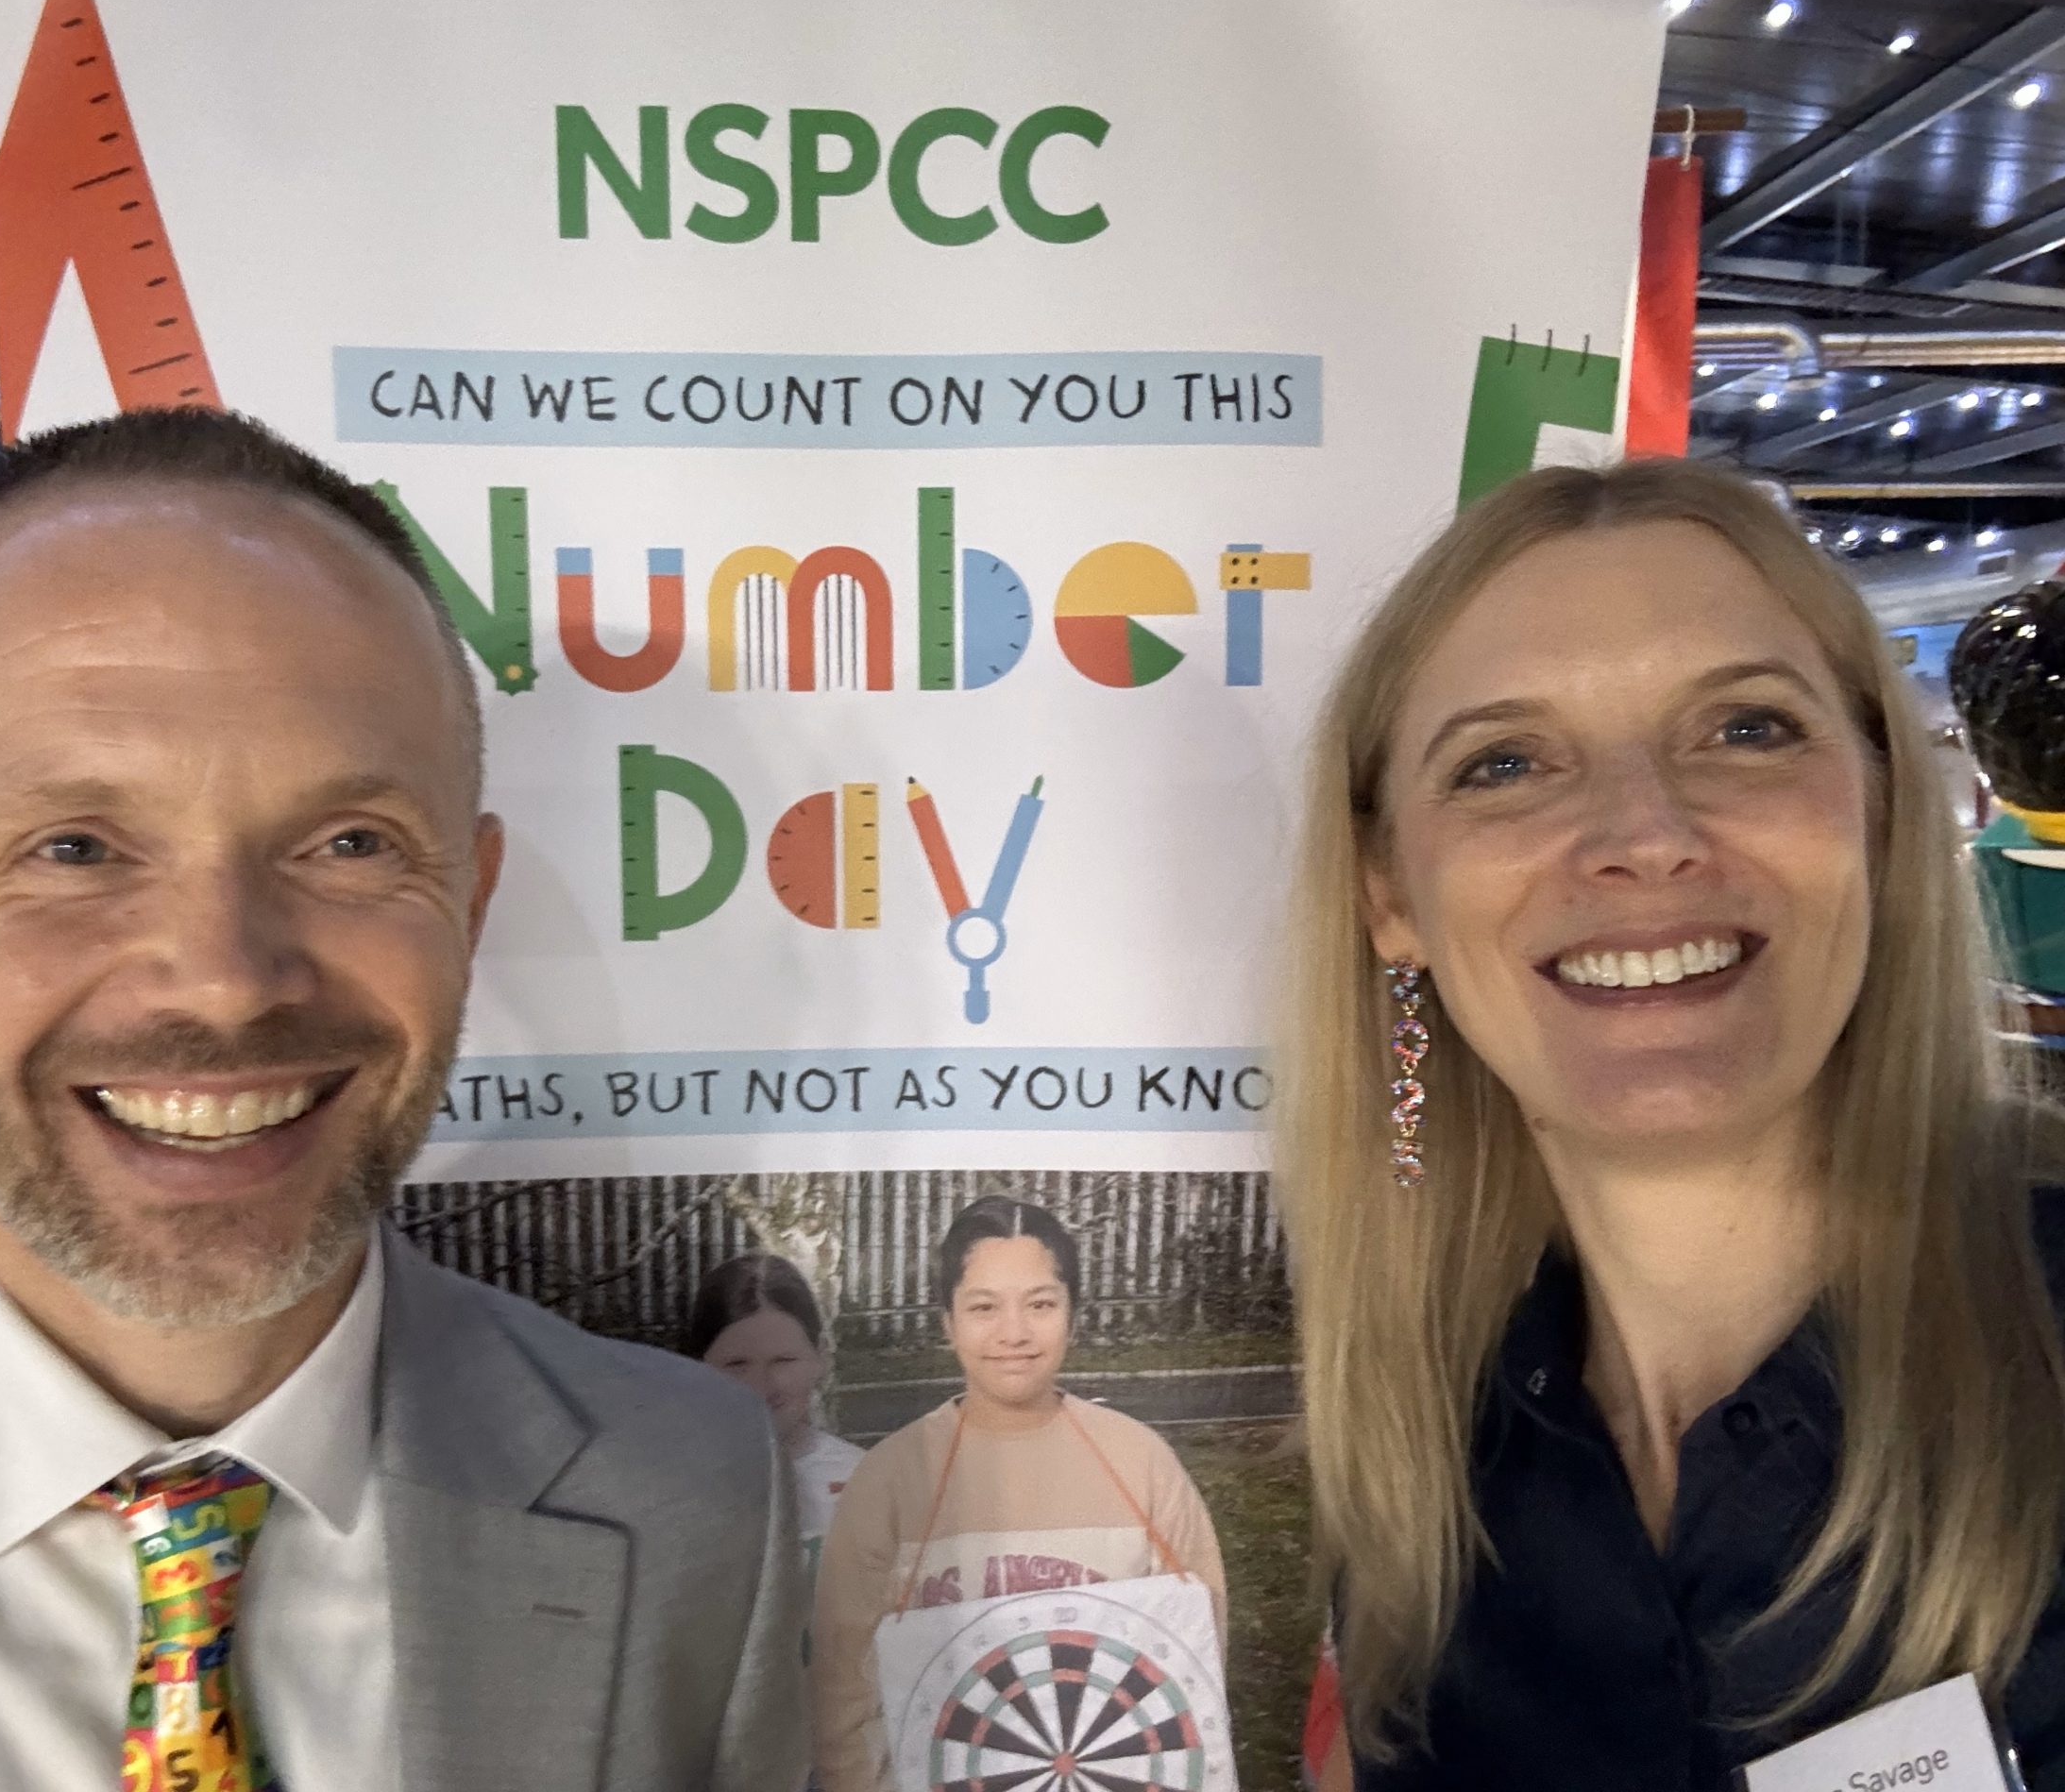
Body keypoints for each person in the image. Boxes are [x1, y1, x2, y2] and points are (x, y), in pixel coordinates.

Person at [0, 409, 806, 1792]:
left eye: (350, 843)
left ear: (467, 908)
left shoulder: (690, 1492)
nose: (225, 981)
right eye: (75, 848)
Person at [1278, 458, 2065, 1789]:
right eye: (1504, 763)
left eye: (1745, 730)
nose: (1643, 833)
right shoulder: (1425, 1480)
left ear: (1879, 815)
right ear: (1388, 895)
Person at [808, 1194, 1227, 1792]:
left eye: (1041, 1304)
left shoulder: (1143, 1464)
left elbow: (1196, 1662)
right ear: (948, 1321)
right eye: (984, 1307)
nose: (1014, 1334)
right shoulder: (891, 1478)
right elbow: (844, 1694)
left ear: (1073, 1314)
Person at [689, 1252, 867, 1577]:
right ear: (698, 1366)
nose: (762, 1385)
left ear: (820, 1358)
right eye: (736, 1364)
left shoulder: (865, 1480)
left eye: (784, 1361)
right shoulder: (674, 1486)